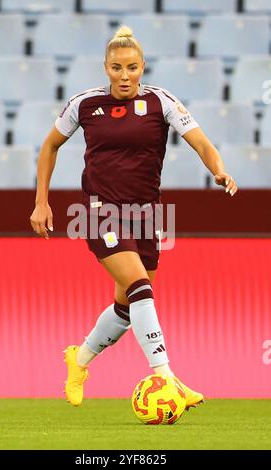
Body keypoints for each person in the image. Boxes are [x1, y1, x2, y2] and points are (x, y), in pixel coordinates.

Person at [30, 26, 238, 409]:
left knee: (127, 307)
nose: (124, 76)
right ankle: (168, 379)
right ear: (105, 69)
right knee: (142, 287)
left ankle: (79, 361)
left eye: (131, 68)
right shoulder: (85, 104)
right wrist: (41, 201)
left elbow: (202, 143)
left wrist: (218, 170)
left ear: (142, 67)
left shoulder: (161, 102)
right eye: (116, 68)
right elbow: (50, 146)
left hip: (146, 214)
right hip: (97, 212)